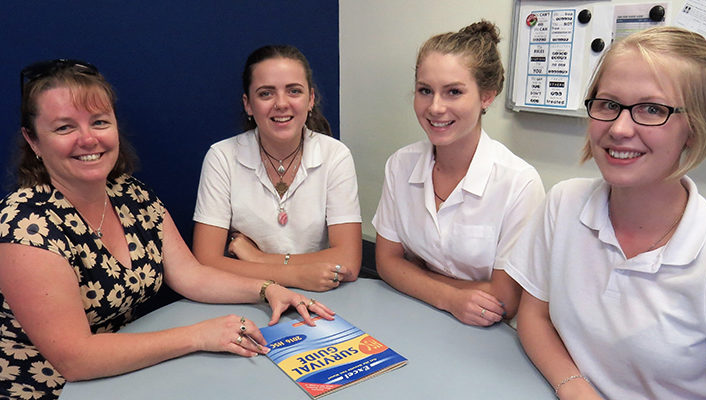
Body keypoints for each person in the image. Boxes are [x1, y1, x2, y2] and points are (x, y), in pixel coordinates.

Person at [0, 59, 334, 399]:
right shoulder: (24, 227)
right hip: (51, 391)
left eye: (99, 122)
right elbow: (76, 359)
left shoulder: (131, 195)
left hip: (121, 375)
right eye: (64, 128)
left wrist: (267, 289)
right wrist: (199, 336)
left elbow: (192, 276)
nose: (88, 139)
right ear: (33, 141)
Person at [505, 27, 706, 399]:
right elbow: (535, 316)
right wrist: (575, 388)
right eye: (609, 104)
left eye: (652, 109)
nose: (619, 128)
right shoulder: (563, 204)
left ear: (694, 129)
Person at [372, 20, 545, 327]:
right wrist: (449, 297)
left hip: (484, 331)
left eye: (453, 92)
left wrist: (416, 274)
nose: (435, 107)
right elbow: (386, 262)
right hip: (413, 315)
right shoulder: (400, 164)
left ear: (487, 96)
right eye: (425, 91)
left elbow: (505, 299)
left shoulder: (518, 183)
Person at [192, 45, 362, 292]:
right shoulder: (222, 157)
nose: (281, 104)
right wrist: (297, 275)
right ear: (248, 104)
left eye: (294, 91)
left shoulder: (335, 155)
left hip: (324, 296)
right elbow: (205, 261)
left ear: (310, 99)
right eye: (266, 94)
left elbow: (348, 261)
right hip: (251, 296)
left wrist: (259, 258)